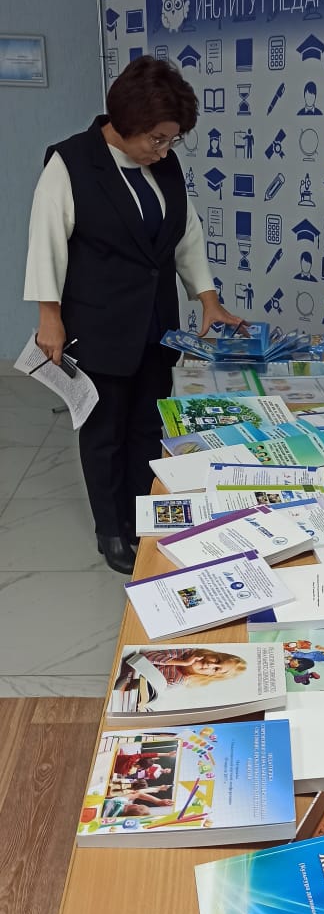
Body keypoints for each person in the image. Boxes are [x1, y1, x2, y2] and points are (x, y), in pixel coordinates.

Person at [24, 56, 241, 573]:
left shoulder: (163, 164)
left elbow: (184, 234)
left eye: (172, 140)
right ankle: (111, 530)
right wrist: (49, 316)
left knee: (148, 423)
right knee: (105, 433)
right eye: (157, 139)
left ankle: (144, 515)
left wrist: (207, 297)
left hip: (155, 321)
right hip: (99, 324)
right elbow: (46, 242)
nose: (164, 150)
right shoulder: (71, 164)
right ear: (125, 122)